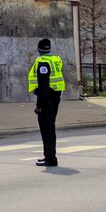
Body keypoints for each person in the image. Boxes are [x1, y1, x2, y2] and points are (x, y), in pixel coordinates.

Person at [27, 37, 65, 167]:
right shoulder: (55, 60)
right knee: (50, 127)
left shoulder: (43, 63)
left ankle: (50, 158)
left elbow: (43, 86)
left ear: (39, 50)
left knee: (46, 129)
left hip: (46, 99)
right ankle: (49, 156)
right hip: (55, 97)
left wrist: (39, 105)